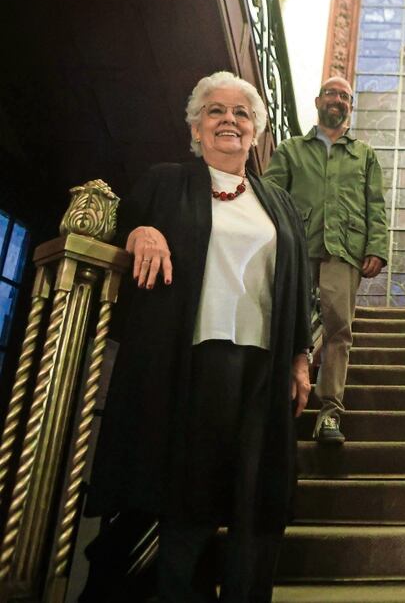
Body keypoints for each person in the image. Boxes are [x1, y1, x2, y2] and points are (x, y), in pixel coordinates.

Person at [87, 71, 313, 600]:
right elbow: (127, 225)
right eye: (215, 111)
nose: (228, 120)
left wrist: (300, 358)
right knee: (186, 496)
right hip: (187, 365)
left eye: (240, 113)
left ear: (255, 133)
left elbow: (298, 282)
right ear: (195, 129)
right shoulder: (166, 182)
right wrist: (140, 231)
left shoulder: (277, 202)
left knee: (254, 498)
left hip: (261, 366)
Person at [263, 76, 388, 445]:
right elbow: (271, 198)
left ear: (351, 105)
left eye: (344, 96)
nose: (337, 100)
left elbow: (375, 205)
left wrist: (377, 247)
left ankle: (329, 414)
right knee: (285, 323)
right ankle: (277, 402)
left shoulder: (364, 154)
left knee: (338, 329)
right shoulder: (290, 150)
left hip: (345, 250)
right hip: (296, 249)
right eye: (331, 93)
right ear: (318, 100)